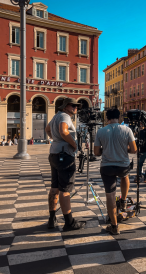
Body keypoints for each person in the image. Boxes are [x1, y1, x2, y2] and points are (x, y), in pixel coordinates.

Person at [45, 97, 85, 231]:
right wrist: (73, 144)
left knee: (54, 188)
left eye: (77, 106)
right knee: (65, 190)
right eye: (73, 105)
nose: (75, 108)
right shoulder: (66, 117)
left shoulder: (56, 116)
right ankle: (69, 222)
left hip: (54, 154)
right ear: (66, 106)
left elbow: (47, 129)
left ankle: (52, 218)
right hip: (64, 155)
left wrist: (54, 139)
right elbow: (64, 131)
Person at [94, 108, 137, 235]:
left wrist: (105, 150)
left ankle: (114, 226)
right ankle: (123, 200)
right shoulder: (127, 130)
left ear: (107, 118)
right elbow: (134, 150)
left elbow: (96, 153)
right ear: (119, 118)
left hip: (107, 167)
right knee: (125, 176)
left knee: (110, 196)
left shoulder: (101, 131)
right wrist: (125, 149)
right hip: (123, 165)